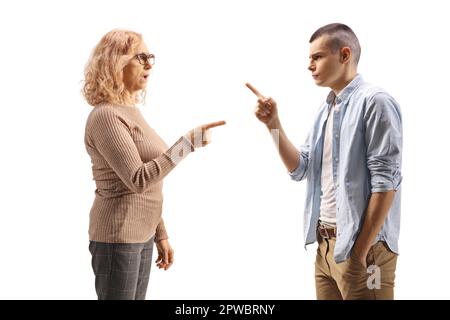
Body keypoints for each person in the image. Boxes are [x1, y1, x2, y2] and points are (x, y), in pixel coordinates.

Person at [247, 23, 402, 300]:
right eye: (310, 58)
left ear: (344, 55)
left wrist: (360, 252)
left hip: (366, 252)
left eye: (317, 57)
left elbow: (386, 183)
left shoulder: (375, 102)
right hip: (325, 249)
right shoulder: (326, 109)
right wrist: (273, 124)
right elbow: (301, 168)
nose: (309, 65)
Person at [83, 29, 225, 300]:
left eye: (150, 57)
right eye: (140, 57)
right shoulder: (106, 117)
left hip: (141, 235)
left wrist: (160, 234)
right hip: (117, 236)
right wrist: (187, 144)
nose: (149, 64)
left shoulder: (130, 112)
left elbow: (150, 185)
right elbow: (138, 179)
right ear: (115, 63)